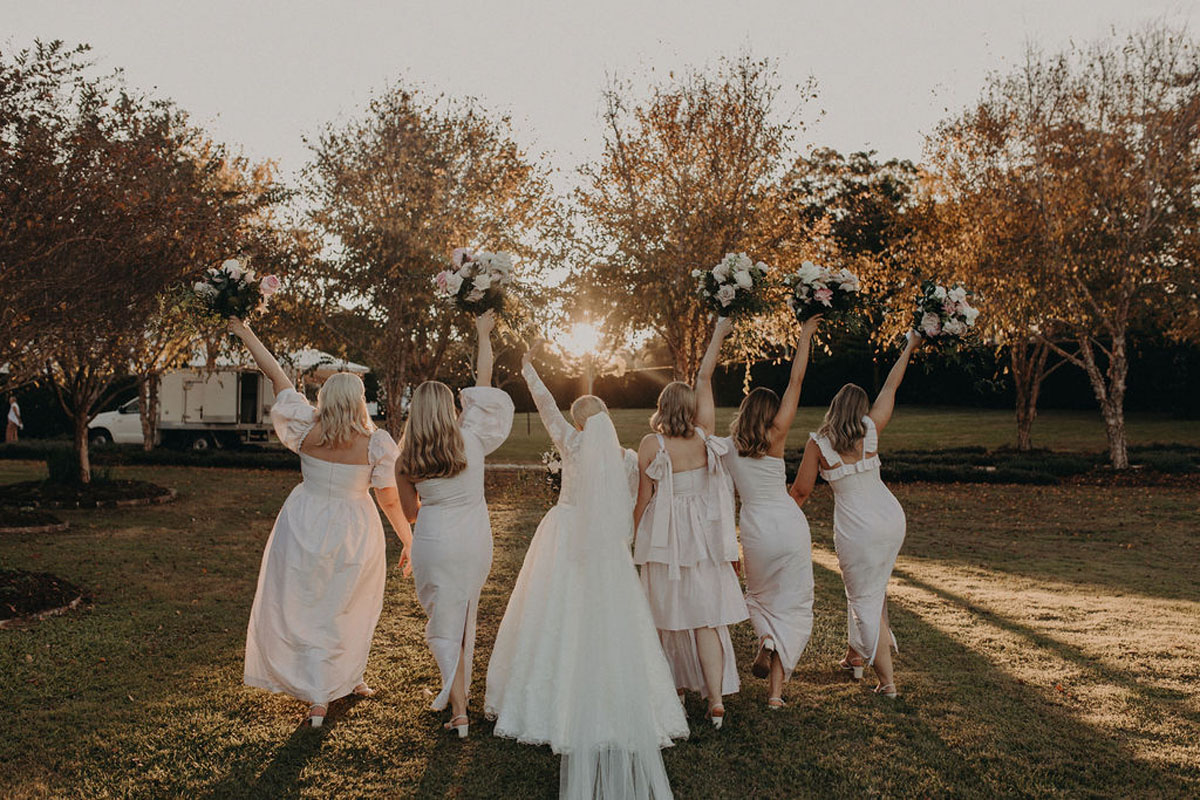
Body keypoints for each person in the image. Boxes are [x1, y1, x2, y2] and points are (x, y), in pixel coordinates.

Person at [486, 339, 688, 799]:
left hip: (564, 536)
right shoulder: (625, 459)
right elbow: (630, 507)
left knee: (551, 613)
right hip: (609, 549)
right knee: (615, 623)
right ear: (608, 421)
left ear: (579, 422)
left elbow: (543, 403)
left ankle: (550, 704)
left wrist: (529, 367)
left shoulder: (571, 443)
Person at [230, 317, 411, 727]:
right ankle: (319, 695)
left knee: (310, 603)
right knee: (342, 605)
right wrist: (409, 539)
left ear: (326, 397)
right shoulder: (375, 443)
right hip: (353, 528)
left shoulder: (305, 428)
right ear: (360, 401)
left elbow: (274, 374)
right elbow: (388, 499)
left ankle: (347, 678)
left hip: (303, 521)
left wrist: (246, 333)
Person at [397, 311, 514, 737]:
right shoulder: (472, 437)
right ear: (449, 407)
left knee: (444, 620)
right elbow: (483, 384)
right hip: (473, 541)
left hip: (433, 540)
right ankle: (460, 704)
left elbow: (410, 514)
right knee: (465, 615)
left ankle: (459, 708)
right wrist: (483, 333)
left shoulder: (406, 459)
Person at [790, 330, 922, 699]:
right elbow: (891, 389)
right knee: (871, 591)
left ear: (834, 407)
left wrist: (777, 516)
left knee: (864, 598)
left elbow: (800, 492)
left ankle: (888, 682)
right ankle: (855, 657)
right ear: (860, 410)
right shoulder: (870, 428)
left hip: (857, 530)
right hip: (891, 520)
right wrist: (909, 346)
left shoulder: (818, 443)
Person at [705, 315, 821, 709]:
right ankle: (774, 695)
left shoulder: (726, 446)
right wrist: (803, 335)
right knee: (792, 602)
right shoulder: (777, 434)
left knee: (758, 596)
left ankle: (766, 639)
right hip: (788, 524)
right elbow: (796, 382)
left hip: (755, 528)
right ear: (769, 414)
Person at [633, 340, 747, 729]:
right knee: (705, 619)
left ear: (663, 409)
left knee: (666, 617)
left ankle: (675, 696)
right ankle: (715, 702)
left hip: (665, 537)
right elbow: (705, 376)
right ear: (693, 409)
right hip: (703, 536)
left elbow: (643, 500)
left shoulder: (652, 444)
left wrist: (633, 543)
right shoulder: (704, 436)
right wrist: (719, 332)